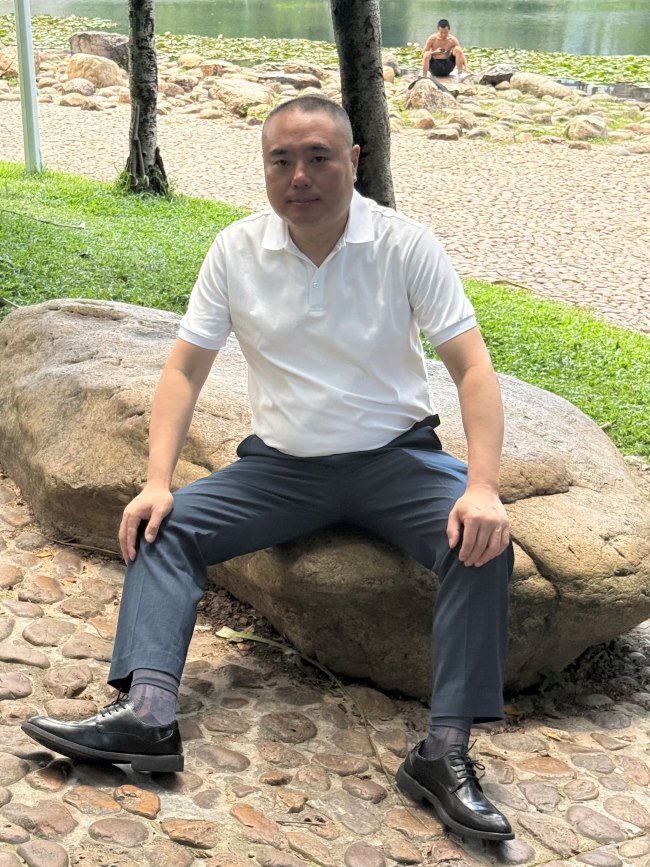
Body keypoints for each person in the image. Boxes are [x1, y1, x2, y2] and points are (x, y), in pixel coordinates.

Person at [22, 96, 514, 842]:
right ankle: (148, 714)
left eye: (318, 157)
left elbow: (472, 367)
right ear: (264, 167)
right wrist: (155, 480)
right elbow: (183, 370)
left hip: (398, 459)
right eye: (281, 160)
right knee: (165, 525)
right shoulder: (237, 249)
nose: (299, 176)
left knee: (481, 544)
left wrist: (482, 487)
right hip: (282, 468)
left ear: (354, 161)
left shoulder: (404, 244)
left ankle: (442, 753)